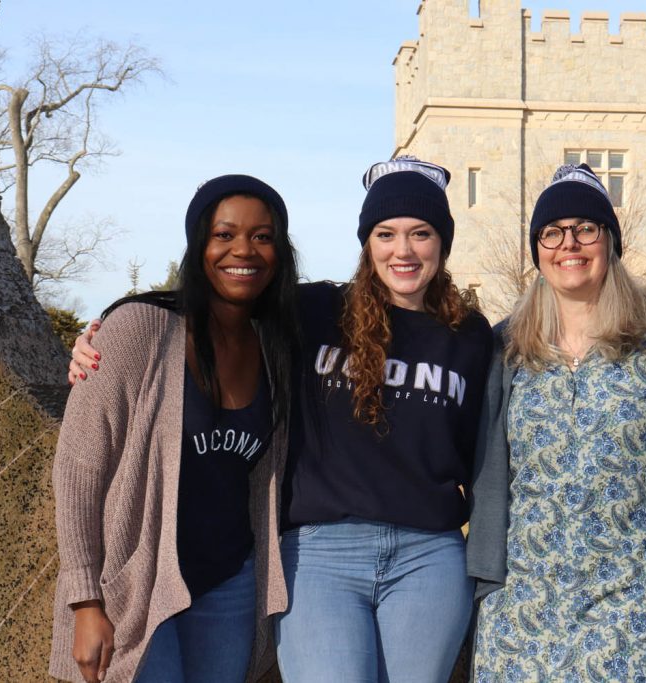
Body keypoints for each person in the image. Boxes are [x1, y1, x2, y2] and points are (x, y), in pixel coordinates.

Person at [70, 157, 493, 682]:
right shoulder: (314, 311)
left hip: (429, 557)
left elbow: (486, 452)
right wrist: (100, 335)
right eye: (386, 233)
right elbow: (219, 298)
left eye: (421, 234)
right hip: (320, 554)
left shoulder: (473, 337)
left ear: (442, 242)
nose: (402, 250)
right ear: (367, 241)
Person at [50, 175, 299, 682]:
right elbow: (78, 467)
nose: (243, 250)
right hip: (136, 583)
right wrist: (83, 600)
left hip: (229, 586)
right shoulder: (139, 328)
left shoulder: (276, 345)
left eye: (262, 236)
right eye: (223, 234)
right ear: (198, 243)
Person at [467, 164, 646, 682]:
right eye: (551, 232)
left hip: (638, 596)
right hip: (525, 597)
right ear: (537, 250)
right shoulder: (504, 347)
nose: (568, 244)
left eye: (585, 229)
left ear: (609, 241)